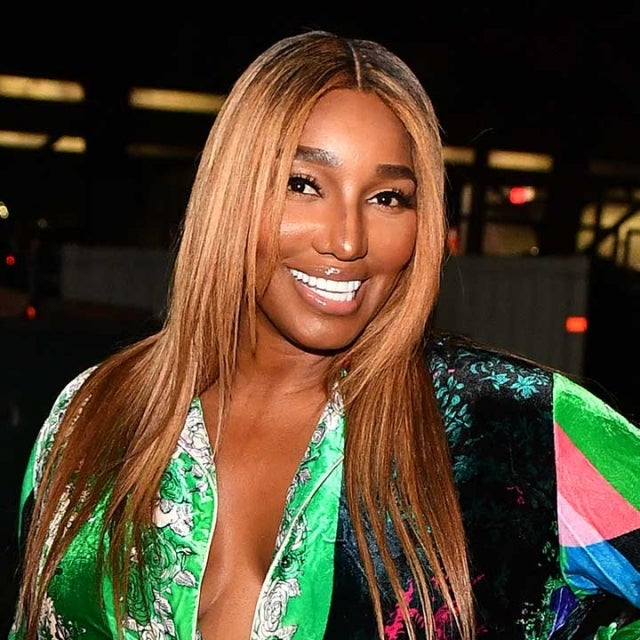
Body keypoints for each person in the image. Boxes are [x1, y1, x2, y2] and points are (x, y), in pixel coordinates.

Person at [7, 29, 640, 640]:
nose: (348, 240)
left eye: (388, 198)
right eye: (303, 185)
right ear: (232, 195)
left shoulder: (511, 426)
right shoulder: (94, 417)